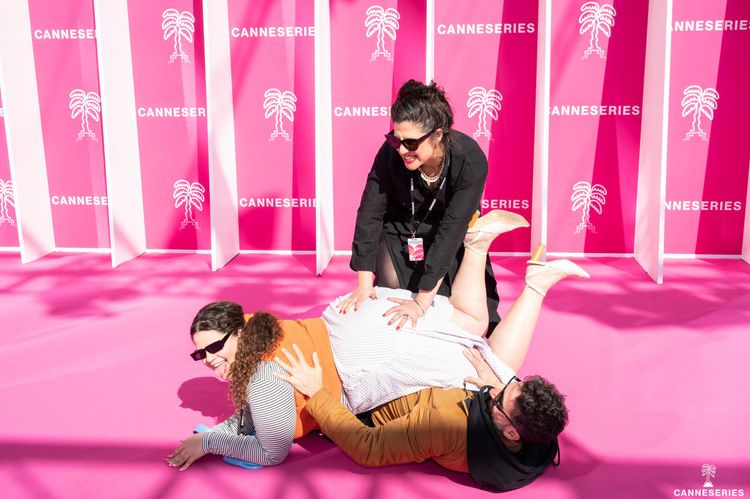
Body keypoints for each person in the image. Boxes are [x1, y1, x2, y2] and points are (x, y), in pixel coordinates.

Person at [167, 210, 587, 490]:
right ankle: (492, 257)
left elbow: (270, 448)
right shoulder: (263, 333)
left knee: (488, 353)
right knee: (472, 328)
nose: (209, 359)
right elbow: (256, 414)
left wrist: (209, 443)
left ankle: (521, 276)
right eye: (200, 354)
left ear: (239, 331)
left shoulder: (264, 375)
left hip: (360, 355)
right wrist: (210, 437)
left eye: (214, 347)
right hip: (354, 327)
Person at [273, 245, 587, 491]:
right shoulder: (534, 436)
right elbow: (511, 396)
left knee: (477, 333)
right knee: (494, 358)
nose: (499, 389)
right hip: (434, 378)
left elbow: (368, 448)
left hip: (389, 375)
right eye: (513, 385)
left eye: (501, 396)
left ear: (509, 431)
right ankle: (522, 279)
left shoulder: (442, 425)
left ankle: (491, 257)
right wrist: (492, 382)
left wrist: (317, 394)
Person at [342, 79, 521, 333]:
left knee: (459, 314)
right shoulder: (390, 153)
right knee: (390, 299)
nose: (401, 150)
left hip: (450, 234)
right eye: (395, 139)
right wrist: (363, 283)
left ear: (437, 135)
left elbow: (452, 229)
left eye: (411, 143)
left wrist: (422, 302)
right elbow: (370, 211)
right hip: (402, 227)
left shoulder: (469, 160)